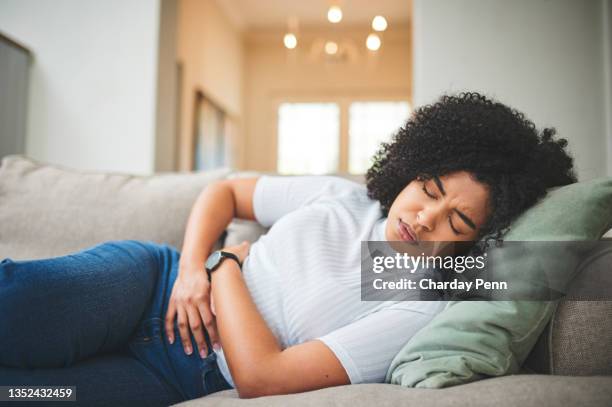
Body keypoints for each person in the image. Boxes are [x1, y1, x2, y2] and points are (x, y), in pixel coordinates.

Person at [0, 92, 576, 405]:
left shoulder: (419, 302)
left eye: (457, 220)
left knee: (30, 395)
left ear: (478, 241)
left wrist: (224, 265)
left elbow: (259, 377)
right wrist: (190, 270)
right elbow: (225, 192)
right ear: (409, 170)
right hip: (148, 287)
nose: (424, 219)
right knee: (16, 305)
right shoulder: (343, 199)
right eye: (429, 188)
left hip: (183, 378)